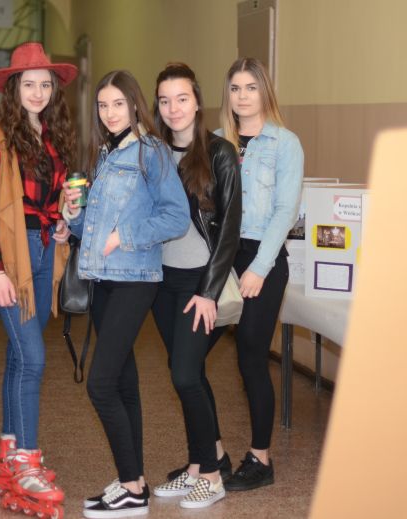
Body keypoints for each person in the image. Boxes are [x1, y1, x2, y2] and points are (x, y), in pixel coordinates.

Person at [63, 70, 190, 519]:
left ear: (135, 105)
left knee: (100, 384)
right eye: (103, 105)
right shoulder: (106, 152)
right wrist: (73, 216)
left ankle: (132, 486)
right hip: (102, 278)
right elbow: (92, 230)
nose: (110, 113)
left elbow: (176, 217)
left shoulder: (151, 152)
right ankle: (134, 482)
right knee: (122, 382)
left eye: (118, 104)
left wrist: (125, 236)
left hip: (135, 278)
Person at [0, 42, 75, 518]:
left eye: (45, 84)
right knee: (33, 358)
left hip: (45, 248)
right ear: (13, 88)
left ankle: (10, 455)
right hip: (11, 259)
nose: (38, 92)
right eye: (29, 84)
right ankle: (28, 461)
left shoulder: (52, 137)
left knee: (19, 357)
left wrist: (62, 222)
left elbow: (52, 201)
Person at [149, 63, 241, 509]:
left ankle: (212, 477)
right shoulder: (153, 152)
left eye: (182, 98)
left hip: (198, 282)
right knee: (188, 374)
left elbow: (229, 230)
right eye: (165, 100)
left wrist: (208, 291)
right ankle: (199, 465)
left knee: (185, 375)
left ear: (197, 101)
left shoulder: (220, 153)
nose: (174, 108)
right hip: (160, 281)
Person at [215, 57, 304, 491]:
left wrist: (259, 268)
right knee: (187, 355)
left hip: (262, 258)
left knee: (250, 356)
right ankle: (209, 455)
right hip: (222, 257)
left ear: (264, 91)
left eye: (251, 87)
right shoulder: (218, 142)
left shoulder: (284, 143)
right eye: (235, 88)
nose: (243, 96)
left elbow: (285, 211)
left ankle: (261, 459)